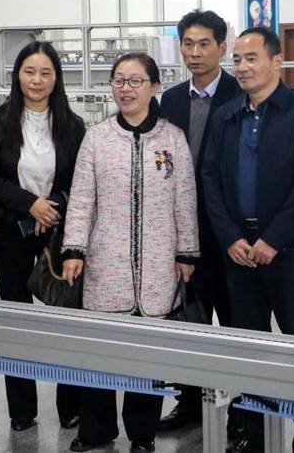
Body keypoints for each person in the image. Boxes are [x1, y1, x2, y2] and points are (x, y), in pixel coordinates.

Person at [201, 27, 294, 453]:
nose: (241, 67)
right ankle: (254, 435)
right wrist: (230, 238)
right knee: (249, 348)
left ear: (276, 61)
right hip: (239, 252)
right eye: (237, 59)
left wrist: (273, 240)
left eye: (251, 58)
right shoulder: (226, 116)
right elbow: (210, 180)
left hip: (291, 251)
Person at [61, 53, 199, 453]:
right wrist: (74, 248)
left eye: (136, 81)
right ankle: (96, 430)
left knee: (147, 354)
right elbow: (82, 199)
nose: (126, 89)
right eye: (119, 80)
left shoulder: (172, 138)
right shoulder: (97, 137)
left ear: (154, 86)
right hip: (106, 262)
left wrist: (187, 252)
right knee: (100, 351)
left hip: (159, 263)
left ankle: (142, 433)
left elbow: (185, 199)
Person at [0, 41, 85, 432]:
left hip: (59, 233)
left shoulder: (72, 125)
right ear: (17, 75)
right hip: (11, 230)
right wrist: (29, 205)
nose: (37, 80)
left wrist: (50, 207)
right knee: (15, 318)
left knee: (67, 316)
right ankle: (21, 408)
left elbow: (81, 179)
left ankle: (70, 405)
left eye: (45, 73)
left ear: (57, 79)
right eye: (29, 71)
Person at [158, 9, 241, 432]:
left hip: (227, 231)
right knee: (189, 322)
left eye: (204, 43)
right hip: (180, 232)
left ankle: (242, 412)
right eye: (188, 44)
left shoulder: (240, 94)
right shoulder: (171, 100)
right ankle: (189, 402)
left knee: (234, 321)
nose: (195, 52)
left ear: (222, 48)